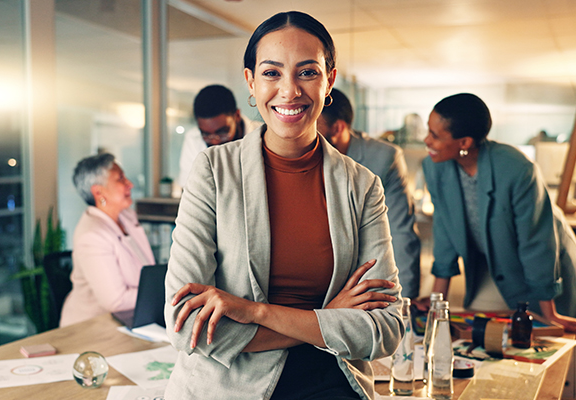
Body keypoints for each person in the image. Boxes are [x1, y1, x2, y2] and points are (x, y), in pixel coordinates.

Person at [165, 11, 403, 400]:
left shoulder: (362, 186)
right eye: (272, 73)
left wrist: (255, 311)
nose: (290, 91)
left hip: (332, 381)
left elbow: (385, 329)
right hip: (227, 386)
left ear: (330, 81)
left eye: (307, 72)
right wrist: (326, 320)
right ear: (251, 82)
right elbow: (186, 323)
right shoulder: (212, 171)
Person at [421, 93, 576, 339]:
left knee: (539, 335)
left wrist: (550, 315)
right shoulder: (434, 166)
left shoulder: (517, 169)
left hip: (539, 267)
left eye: (435, 135)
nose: (426, 140)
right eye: (428, 131)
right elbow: (444, 229)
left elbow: (537, 243)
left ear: (464, 142)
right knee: (485, 338)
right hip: (488, 265)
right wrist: (435, 303)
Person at [317, 88, 421, 299]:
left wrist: (404, 303)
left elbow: (401, 233)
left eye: (312, 124)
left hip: (364, 278)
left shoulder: (383, 158)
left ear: (337, 128)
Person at [60, 153, 155, 327]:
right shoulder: (91, 235)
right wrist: (164, 290)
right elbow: (115, 300)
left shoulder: (126, 216)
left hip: (132, 320)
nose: (130, 184)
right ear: (98, 192)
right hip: (92, 328)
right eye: (120, 179)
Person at [177, 84, 262, 188]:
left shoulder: (263, 135)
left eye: (222, 132)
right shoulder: (193, 138)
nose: (215, 141)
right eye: (206, 134)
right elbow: (187, 187)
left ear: (237, 116)